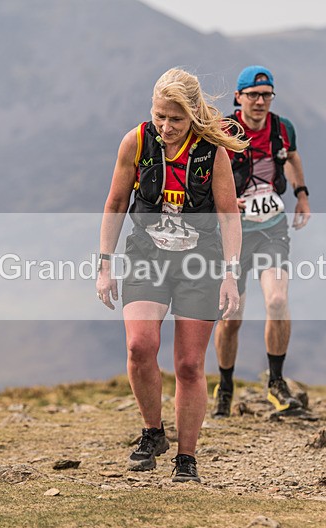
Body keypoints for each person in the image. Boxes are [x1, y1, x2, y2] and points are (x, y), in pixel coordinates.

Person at [96, 68, 245, 483]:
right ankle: (153, 432)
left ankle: (186, 457)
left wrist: (230, 275)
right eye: (160, 116)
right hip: (147, 254)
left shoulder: (212, 152)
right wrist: (105, 265)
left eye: (176, 119)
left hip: (200, 261)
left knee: (189, 364)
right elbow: (115, 204)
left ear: (193, 114)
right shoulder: (136, 141)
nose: (166, 126)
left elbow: (229, 216)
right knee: (139, 345)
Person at [211, 65, 311, 418]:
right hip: (233, 233)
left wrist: (301, 194)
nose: (259, 101)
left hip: (271, 227)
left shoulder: (282, 129)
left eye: (266, 95)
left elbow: (292, 157)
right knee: (231, 317)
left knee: (278, 300)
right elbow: (204, 173)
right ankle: (225, 385)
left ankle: (276, 382)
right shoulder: (223, 131)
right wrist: (222, 203)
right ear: (238, 97)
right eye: (253, 95)